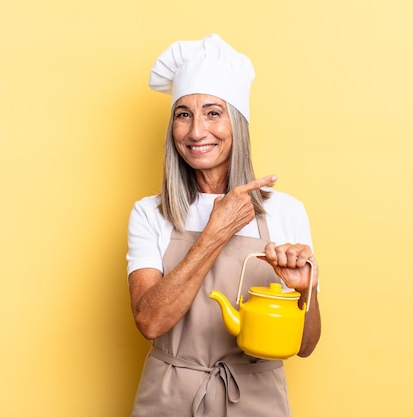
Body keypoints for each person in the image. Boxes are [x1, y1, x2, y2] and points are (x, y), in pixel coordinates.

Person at [127, 33, 321, 417]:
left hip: (255, 399)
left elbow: (306, 345)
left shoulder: (286, 211)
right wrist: (216, 232)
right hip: (168, 398)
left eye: (213, 112)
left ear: (238, 123)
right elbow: (150, 321)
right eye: (184, 114)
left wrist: (305, 293)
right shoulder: (149, 213)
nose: (197, 131)